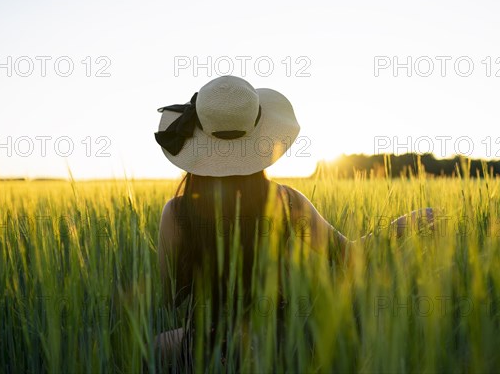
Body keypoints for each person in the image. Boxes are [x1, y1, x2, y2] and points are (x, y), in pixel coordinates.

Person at [152, 76, 433, 367]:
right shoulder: (287, 201)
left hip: (207, 342)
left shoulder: (175, 213)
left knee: (156, 346)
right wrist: (406, 223)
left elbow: (170, 297)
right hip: (278, 340)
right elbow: (348, 255)